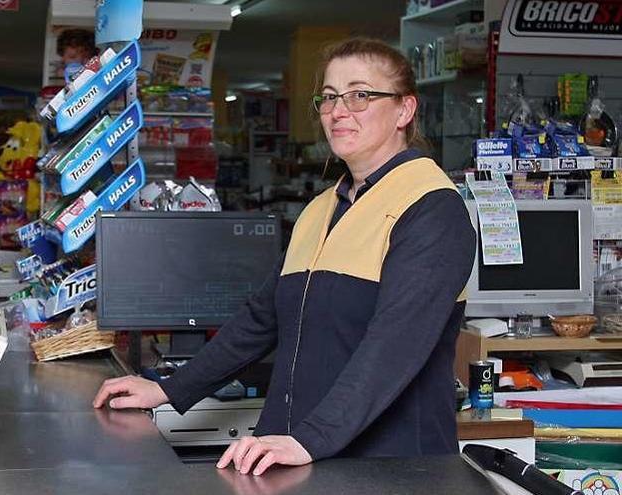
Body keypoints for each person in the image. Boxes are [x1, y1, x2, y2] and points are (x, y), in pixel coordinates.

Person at [93, 38, 476, 476]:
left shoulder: (431, 207)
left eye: (360, 95)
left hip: (391, 466)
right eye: (329, 97)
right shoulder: (323, 208)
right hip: (298, 455)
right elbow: (261, 320)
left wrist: (310, 439)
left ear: (404, 110)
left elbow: (393, 347)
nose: (338, 110)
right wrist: (168, 389)